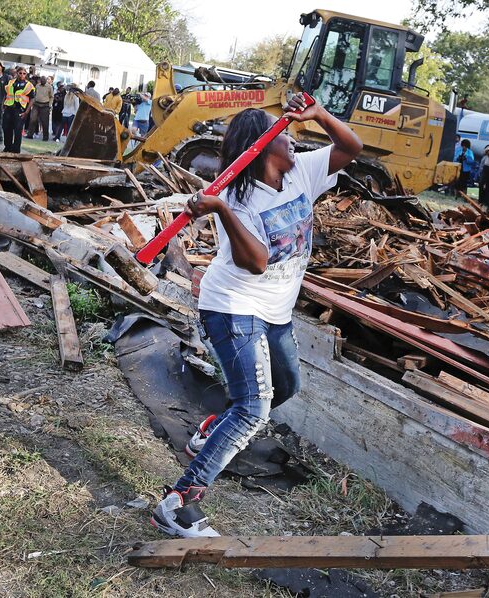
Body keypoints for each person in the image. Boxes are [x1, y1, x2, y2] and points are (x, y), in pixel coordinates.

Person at [150, 93, 362, 538]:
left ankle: (211, 430)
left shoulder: (301, 171)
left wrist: (320, 113)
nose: (291, 136)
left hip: (275, 311)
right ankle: (179, 502)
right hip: (232, 308)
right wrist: (223, 210)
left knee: (286, 385)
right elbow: (256, 262)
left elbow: (351, 149)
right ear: (263, 145)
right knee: (253, 409)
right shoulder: (237, 196)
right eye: (281, 132)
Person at [2, 66, 35, 153]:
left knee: (17, 130)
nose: (22, 75)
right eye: (20, 73)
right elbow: (6, 94)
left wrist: (27, 112)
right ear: (17, 73)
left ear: (26, 74)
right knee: (6, 128)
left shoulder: (29, 85)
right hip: (9, 108)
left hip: (20, 110)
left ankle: (16, 150)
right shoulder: (11, 82)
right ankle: (7, 147)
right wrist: (3, 105)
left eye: (24, 73)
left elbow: (32, 99)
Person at [27, 76, 52, 140]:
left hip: (45, 105)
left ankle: (45, 137)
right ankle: (30, 135)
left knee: (45, 122)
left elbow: (51, 96)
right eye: (42, 80)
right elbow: (34, 94)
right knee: (32, 119)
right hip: (36, 104)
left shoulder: (49, 87)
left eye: (44, 80)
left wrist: (49, 105)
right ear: (40, 80)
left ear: (46, 81)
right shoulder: (37, 86)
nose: (43, 81)